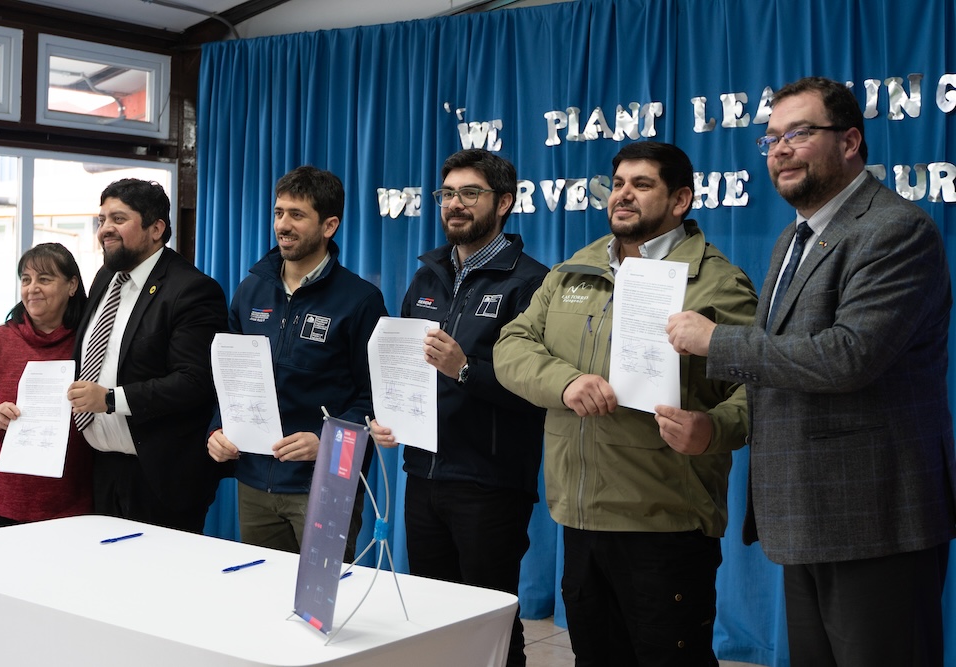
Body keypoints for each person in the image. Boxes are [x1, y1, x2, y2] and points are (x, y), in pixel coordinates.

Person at [667, 76, 956, 667]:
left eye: (798, 133)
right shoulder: (793, 240)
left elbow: (847, 356)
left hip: (873, 517)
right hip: (805, 513)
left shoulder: (894, 230)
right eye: (770, 138)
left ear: (850, 141)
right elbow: (782, 368)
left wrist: (715, 340)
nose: (779, 148)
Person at [494, 141, 757, 666]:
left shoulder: (717, 282)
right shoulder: (575, 270)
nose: (624, 195)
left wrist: (711, 428)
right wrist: (565, 382)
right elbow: (511, 346)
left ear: (680, 200)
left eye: (642, 185)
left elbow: (761, 386)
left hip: (665, 523)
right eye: (618, 184)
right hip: (581, 516)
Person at [368, 148, 548, 667]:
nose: (455, 204)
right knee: (432, 616)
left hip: (489, 481)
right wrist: (389, 416)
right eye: (447, 194)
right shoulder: (427, 275)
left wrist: (465, 369)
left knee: (488, 622)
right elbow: (402, 368)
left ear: (505, 202)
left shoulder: (530, 282)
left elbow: (536, 389)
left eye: (470, 193)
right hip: (422, 474)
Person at [207, 166, 387, 561]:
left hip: (326, 481)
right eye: (278, 213)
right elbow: (232, 381)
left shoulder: (360, 300)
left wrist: (327, 440)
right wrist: (218, 428)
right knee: (261, 597)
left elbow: (373, 397)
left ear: (329, 225)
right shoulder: (250, 289)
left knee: (321, 607)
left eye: (296, 215)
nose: (283, 225)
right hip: (254, 479)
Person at [66, 179, 228, 533]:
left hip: (160, 476)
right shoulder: (105, 277)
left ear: (156, 229)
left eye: (118, 219)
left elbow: (194, 382)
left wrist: (110, 400)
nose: (105, 229)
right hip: (101, 468)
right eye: (102, 219)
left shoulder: (192, 290)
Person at [0, 243, 92, 525]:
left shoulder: (89, 342)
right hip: (6, 498)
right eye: (26, 279)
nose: (32, 288)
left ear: (71, 285)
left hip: (73, 499)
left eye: (44, 279)